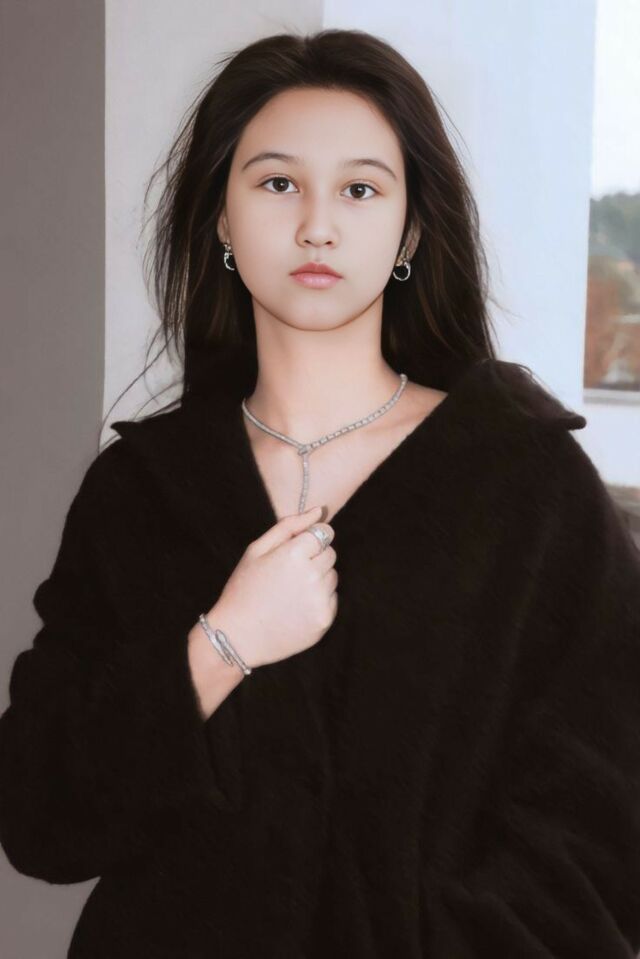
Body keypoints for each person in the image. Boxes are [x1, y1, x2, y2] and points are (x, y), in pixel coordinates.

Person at [1, 27, 640, 959]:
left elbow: (607, 818)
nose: (316, 226)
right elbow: (38, 814)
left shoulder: (524, 482)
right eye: (276, 183)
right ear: (220, 218)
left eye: (360, 189)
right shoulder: (139, 491)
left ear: (411, 228)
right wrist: (221, 644)